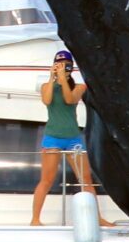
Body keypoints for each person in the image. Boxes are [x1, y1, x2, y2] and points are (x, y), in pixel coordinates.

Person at [30, 49, 95, 226]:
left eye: (66, 66)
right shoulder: (46, 86)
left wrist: (64, 80)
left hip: (73, 138)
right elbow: (47, 100)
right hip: (53, 138)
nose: (62, 68)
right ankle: (35, 219)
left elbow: (69, 99)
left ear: (71, 68)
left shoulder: (79, 87)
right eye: (59, 65)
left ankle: (97, 217)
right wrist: (52, 78)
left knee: (86, 180)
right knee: (46, 180)